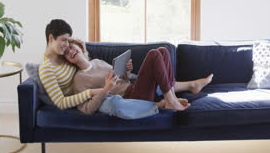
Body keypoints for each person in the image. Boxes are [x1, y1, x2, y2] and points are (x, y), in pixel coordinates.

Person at [65, 39, 213, 115]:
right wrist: (105, 90)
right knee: (154, 54)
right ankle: (171, 100)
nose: (70, 51)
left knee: (163, 51)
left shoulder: (98, 62)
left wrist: (126, 72)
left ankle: (171, 97)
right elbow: (86, 109)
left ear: (79, 46)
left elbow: (121, 80)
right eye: (66, 53)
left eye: (71, 47)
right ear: (67, 60)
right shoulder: (79, 79)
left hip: (133, 86)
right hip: (130, 97)